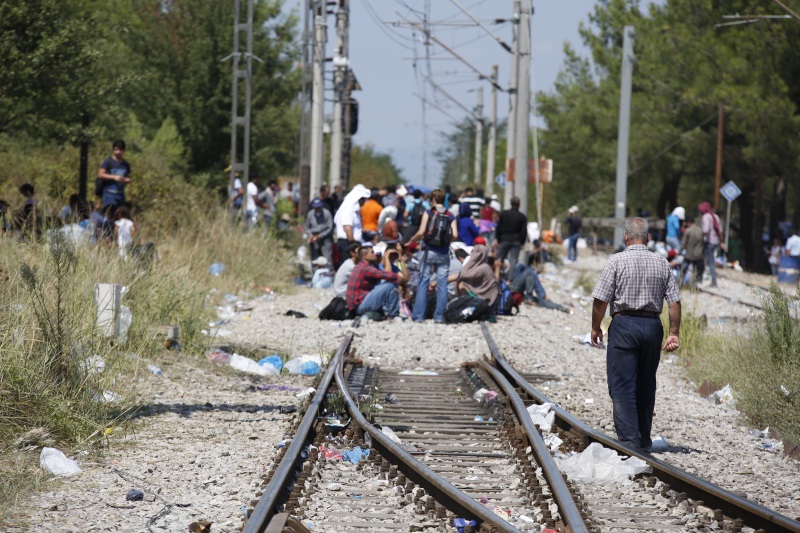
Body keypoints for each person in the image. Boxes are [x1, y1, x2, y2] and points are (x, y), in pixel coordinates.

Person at [590, 217, 681, 452]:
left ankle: (629, 443)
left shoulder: (616, 261)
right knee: (646, 383)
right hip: (652, 327)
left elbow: (601, 299)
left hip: (624, 325)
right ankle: (643, 439)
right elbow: (674, 302)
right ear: (649, 238)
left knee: (622, 385)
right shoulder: (662, 263)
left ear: (625, 238)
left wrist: (596, 327)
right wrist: (674, 333)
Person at [410, 188, 458, 323]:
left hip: (428, 251)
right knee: (442, 284)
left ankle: (419, 316)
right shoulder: (450, 215)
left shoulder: (428, 212)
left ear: (433, 200)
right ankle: (439, 317)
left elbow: (421, 232)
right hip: (443, 253)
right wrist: (446, 241)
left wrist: (413, 239)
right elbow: (455, 235)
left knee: (423, 282)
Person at [346, 244, 403, 320]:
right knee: (390, 285)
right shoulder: (365, 268)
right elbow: (388, 275)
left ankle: (389, 312)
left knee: (385, 283)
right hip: (360, 306)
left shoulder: (361, 266)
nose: (375, 254)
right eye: (372, 252)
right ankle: (393, 314)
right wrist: (386, 257)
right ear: (365, 256)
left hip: (357, 306)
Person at [456, 244, 500, 317]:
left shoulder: (483, 268)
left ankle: (463, 304)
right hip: (488, 300)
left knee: (461, 284)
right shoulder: (484, 266)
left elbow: (462, 275)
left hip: (486, 302)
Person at [334, 184, 371, 269]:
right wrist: (354, 247)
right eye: (363, 199)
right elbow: (347, 229)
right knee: (349, 268)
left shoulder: (354, 210)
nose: (364, 201)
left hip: (351, 243)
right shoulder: (348, 209)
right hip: (348, 243)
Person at [496, 196, 528, 280]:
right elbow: (524, 231)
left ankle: (497, 275)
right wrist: (522, 242)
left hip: (504, 239)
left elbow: (498, 227)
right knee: (513, 260)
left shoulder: (504, 214)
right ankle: (510, 279)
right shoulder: (522, 217)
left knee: (499, 258)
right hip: (516, 241)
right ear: (519, 204)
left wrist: (498, 238)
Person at [97, 140, 131, 216]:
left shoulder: (125, 164)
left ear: (124, 150)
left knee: (119, 215)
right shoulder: (108, 162)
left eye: (120, 150)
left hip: (120, 194)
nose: (118, 152)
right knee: (110, 213)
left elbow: (128, 177)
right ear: (113, 150)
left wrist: (126, 180)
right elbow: (101, 174)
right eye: (116, 149)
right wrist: (114, 177)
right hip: (109, 194)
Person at [698, 201, 723, 287]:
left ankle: (712, 281)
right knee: (710, 260)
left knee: (708, 261)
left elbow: (706, 230)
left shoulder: (706, 217)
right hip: (715, 242)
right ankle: (707, 278)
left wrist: (698, 234)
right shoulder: (715, 216)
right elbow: (720, 230)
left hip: (708, 241)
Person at [305, 198, 334, 266]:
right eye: (315, 207)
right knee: (315, 258)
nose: (317, 209)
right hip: (314, 238)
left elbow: (330, 228)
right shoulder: (310, 214)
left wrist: (320, 236)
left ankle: (329, 273)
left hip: (325, 238)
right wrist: (310, 235)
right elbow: (307, 227)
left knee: (327, 258)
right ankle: (316, 274)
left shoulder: (327, 213)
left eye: (318, 207)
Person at [680, 215, 705, 287]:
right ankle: (696, 284)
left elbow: (683, 244)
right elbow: (703, 243)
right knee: (697, 271)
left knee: (683, 269)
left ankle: (680, 283)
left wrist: (679, 252)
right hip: (698, 255)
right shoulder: (700, 230)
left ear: (688, 222)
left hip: (689, 255)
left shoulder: (687, 231)